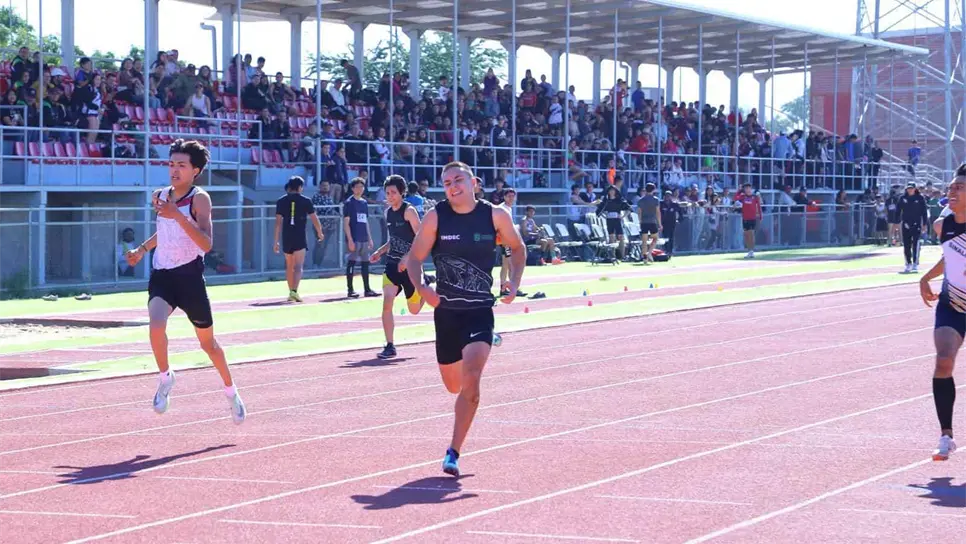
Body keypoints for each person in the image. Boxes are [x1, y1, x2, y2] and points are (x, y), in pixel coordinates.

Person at [405, 162, 526, 477]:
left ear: (474, 182)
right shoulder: (436, 217)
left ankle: (453, 452)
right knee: (453, 385)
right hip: (446, 313)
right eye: (446, 183)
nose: (452, 186)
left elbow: (517, 247)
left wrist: (514, 280)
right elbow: (415, 258)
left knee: (471, 380)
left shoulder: (495, 215)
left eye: (458, 180)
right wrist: (422, 288)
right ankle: (481, 345)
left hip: (479, 310)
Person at [124, 139, 246, 424]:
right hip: (163, 275)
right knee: (155, 325)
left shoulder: (200, 199)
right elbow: (165, 233)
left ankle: (231, 391)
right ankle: (165, 377)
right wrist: (142, 250)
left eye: (181, 165)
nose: (174, 170)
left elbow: (205, 243)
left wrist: (178, 215)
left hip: (190, 277)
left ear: (196, 171)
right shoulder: (160, 196)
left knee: (209, 345)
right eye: (171, 164)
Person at [918, 163, 966, 461]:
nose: (952, 192)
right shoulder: (943, 225)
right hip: (953, 304)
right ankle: (946, 435)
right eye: (950, 188)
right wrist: (926, 278)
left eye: (959, 188)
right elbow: (949, 257)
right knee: (944, 360)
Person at [370, 175, 426, 359]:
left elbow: (421, 238)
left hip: (410, 267)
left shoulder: (409, 211)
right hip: (393, 265)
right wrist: (380, 251)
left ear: (402, 193)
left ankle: (425, 287)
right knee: (387, 302)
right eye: (387, 193)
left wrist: (408, 257)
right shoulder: (388, 212)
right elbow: (392, 240)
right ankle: (390, 345)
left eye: (393, 192)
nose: (390, 196)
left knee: (414, 310)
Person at [274, 176, 324, 302]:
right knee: (298, 265)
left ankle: (291, 291)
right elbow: (314, 218)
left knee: (289, 265)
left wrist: (276, 241)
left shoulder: (281, 201)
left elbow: (278, 223)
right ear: (300, 187)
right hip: (299, 235)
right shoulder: (306, 201)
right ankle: (294, 291)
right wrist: (320, 232)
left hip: (287, 235)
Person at [343, 177, 378, 298]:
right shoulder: (349, 203)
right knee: (351, 263)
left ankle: (367, 289)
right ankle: (350, 289)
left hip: (363, 237)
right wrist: (350, 239)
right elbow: (346, 222)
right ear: (352, 188)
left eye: (362, 187)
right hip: (354, 237)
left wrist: (369, 238)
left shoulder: (364, 203)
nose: (360, 189)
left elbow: (365, 221)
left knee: (365, 263)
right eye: (357, 187)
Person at [896, 181, 928, 273]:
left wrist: (924, 224)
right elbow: (898, 211)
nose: (910, 190)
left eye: (912, 188)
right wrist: (897, 222)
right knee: (906, 244)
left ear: (915, 189)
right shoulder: (902, 198)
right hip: (905, 224)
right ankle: (908, 263)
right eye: (908, 188)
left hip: (916, 224)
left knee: (916, 244)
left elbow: (924, 212)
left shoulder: (920, 198)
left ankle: (915, 263)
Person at [596, 184, 631, 260]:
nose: (611, 192)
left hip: (617, 220)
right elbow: (599, 212)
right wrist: (605, 216)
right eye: (610, 190)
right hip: (609, 220)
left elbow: (629, 209)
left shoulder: (619, 200)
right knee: (611, 237)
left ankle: (622, 256)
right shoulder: (606, 201)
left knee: (620, 237)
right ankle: (612, 256)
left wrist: (622, 216)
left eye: (613, 190)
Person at [736, 183, 763, 259]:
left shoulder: (755, 197)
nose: (747, 190)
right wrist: (739, 190)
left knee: (751, 234)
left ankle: (752, 251)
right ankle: (749, 251)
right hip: (745, 218)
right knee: (746, 235)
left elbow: (759, 206)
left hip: (752, 218)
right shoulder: (742, 196)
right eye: (746, 188)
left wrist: (760, 216)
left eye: (749, 188)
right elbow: (736, 198)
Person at [637, 182, 661, 263]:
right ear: (653, 190)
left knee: (644, 241)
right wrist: (660, 223)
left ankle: (645, 259)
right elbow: (658, 212)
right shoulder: (655, 200)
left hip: (644, 222)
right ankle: (649, 252)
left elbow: (639, 212)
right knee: (655, 238)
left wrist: (640, 222)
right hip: (652, 221)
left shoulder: (641, 200)